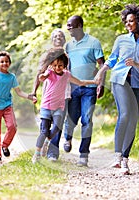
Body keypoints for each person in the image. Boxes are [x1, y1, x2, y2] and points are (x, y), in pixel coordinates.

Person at [95, 4, 139, 174]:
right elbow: (112, 59)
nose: (128, 24)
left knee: (133, 120)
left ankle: (125, 160)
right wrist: (101, 73)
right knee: (125, 114)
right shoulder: (121, 40)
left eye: (132, 21)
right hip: (119, 81)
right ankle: (117, 156)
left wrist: (136, 64)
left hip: (138, 84)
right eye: (127, 21)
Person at [32, 47, 97, 164]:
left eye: (60, 65)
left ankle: (47, 141)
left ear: (65, 66)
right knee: (44, 130)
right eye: (55, 65)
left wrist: (93, 82)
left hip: (58, 107)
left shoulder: (67, 75)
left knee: (57, 128)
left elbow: (80, 82)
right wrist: (42, 76)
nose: (58, 68)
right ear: (52, 65)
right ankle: (36, 154)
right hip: (46, 106)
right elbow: (42, 77)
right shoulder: (50, 72)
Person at [63, 15, 105, 167]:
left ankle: (83, 155)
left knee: (87, 120)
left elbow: (102, 65)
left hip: (90, 88)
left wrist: (102, 84)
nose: (68, 29)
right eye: (67, 26)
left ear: (79, 25)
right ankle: (67, 137)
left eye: (71, 26)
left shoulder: (94, 42)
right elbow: (64, 68)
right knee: (71, 118)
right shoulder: (68, 46)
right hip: (73, 88)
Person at [0, 51, 37, 163]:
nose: (4, 63)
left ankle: (5, 145)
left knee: (12, 126)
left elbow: (19, 92)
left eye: (6, 61)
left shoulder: (12, 77)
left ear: (9, 63)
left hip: (7, 106)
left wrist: (31, 97)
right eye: (2, 62)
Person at [30, 29, 68, 161]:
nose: (58, 38)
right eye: (56, 36)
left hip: (65, 95)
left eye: (61, 36)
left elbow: (72, 76)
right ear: (52, 39)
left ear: (64, 39)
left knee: (58, 125)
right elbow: (39, 74)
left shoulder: (68, 55)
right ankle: (42, 147)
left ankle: (52, 153)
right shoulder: (47, 56)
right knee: (45, 126)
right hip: (49, 96)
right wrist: (34, 92)